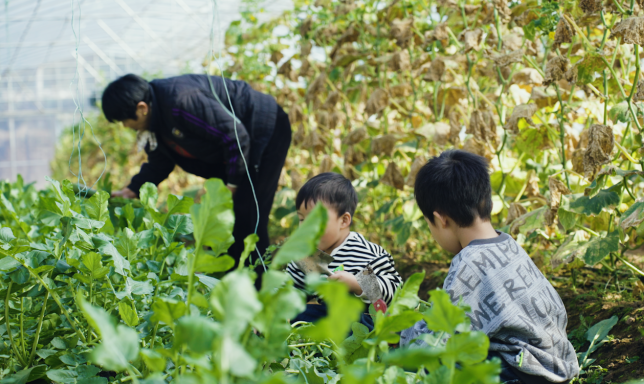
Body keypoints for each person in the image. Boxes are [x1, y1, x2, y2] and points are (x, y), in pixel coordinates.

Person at [400, 150, 579, 384]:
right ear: (486, 200)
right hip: (556, 363)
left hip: (525, 374)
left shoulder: (470, 263)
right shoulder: (507, 244)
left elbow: (437, 341)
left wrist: (403, 336)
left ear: (441, 219)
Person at [101, 74, 291, 275]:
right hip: (237, 150)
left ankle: (257, 289)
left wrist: (232, 186)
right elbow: (160, 161)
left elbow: (235, 135)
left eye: (124, 120)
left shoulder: (180, 101)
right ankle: (229, 283)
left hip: (263, 131)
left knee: (248, 215)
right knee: (225, 220)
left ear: (142, 108)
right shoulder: (155, 120)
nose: (125, 126)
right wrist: (132, 189)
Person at [286, 172, 403, 329]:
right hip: (328, 315)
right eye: (302, 219)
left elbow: (394, 290)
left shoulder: (365, 254)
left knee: (362, 321)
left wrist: (358, 284)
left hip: (362, 319)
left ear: (343, 220)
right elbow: (290, 287)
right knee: (301, 315)